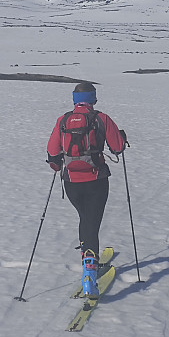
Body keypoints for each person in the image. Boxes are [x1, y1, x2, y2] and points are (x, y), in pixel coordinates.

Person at [46, 82, 127, 298]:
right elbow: (117, 147)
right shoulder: (101, 119)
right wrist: (122, 138)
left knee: (85, 220)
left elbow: (52, 153)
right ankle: (89, 272)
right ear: (94, 99)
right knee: (91, 223)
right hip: (96, 180)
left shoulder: (62, 120)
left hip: (71, 182)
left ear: (74, 100)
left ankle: (88, 256)